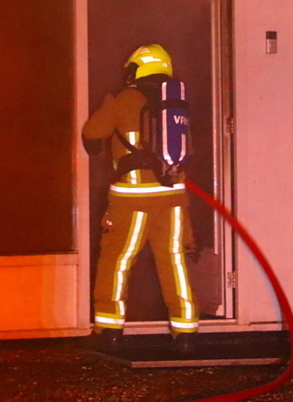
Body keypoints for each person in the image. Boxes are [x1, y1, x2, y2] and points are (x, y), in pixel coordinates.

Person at [82, 43, 199, 353]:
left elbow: (91, 136)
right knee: (174, 261)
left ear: (135, 70)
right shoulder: (177, 103)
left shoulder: (124, 100)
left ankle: (110, 330)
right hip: (173, 198)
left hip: (130, 199)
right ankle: (186, 333)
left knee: (117, 261)